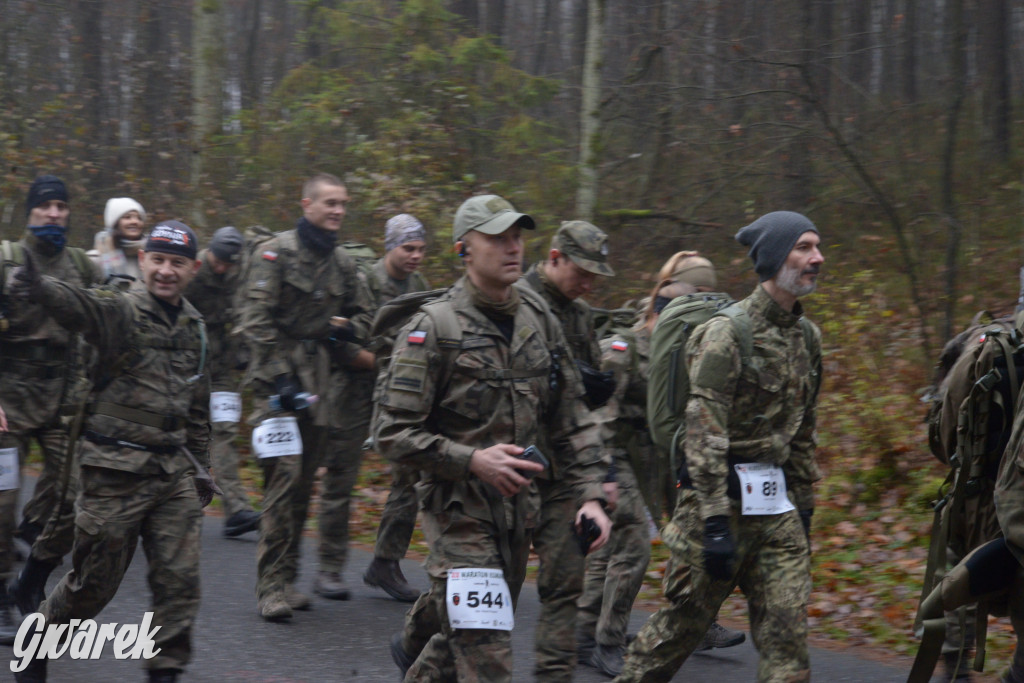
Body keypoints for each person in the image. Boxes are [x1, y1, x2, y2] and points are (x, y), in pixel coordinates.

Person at [377, 194, 612, 682]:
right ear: (465, 248)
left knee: (457, 643)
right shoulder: (433, 328)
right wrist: (471, 460)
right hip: (457, 512)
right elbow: (392, 433)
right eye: (497, 238)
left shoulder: (540, 320)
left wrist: (591, 496)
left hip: (517, 514)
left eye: (517, 237)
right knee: (487, 654)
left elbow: (572, 416)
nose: (513, 248)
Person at [615, 211, 824, 683]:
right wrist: (712, 521)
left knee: (788, 636)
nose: (817, 258)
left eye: (817, 247)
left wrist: (804, 508)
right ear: (774, 258)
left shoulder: (807, 337)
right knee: (680, 630)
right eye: (804, 248)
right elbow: (703, 431)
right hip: (717, 505)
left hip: (775, 511)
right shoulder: (727, 333)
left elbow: (803, 429)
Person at [10, 219, 214, 683]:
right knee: (92, 586)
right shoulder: (120, 309)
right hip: (113, 472)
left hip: (171, 476)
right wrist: (40, 287)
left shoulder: (196, 329)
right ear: (143, 260)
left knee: (179, 584)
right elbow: (78, 306)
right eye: (158, 260)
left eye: (177, 263)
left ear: (193, 269)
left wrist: (203, 467)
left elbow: (198, 405)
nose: (166, 271)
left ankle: (165, 671)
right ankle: (38, 638)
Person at [578, 257, 743, 678]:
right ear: (668, 294)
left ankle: (688, 622)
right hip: (619, 451)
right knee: (631, 545)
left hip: (664, 453)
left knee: (693, 531)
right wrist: (604, 476)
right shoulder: (624, 345)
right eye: (691, 299)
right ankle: (607, 641)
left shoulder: (689, 344)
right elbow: (598, 415)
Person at [235, 172, 374, 620]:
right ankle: (270, 587)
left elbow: (369, 314)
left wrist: (349, 332)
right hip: (274, 389)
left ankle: (289, 578)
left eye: (343, 204)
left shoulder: (343, 264)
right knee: (282, 482)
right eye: (329, 202)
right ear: (307, 204)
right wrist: (279, 378)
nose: (337, 211)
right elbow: (253, 320)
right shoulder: (275, 253)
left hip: (319, 388)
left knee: (301, 489)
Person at [2, 176, 103, 636]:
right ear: (31, 212)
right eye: (47, 206)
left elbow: (109, 322)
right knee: (2, 504)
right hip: (7, 404)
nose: (56, 213)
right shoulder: (5, 260)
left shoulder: (81, 265)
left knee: (71, 500)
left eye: (63, 206)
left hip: (64, 403)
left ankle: (30, 580)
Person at [523, 220, 616, 681]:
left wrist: (599, 475)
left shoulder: (580, 316)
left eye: (596, 275)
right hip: (509, 466)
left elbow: (585, 406)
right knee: (486, 587)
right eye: (582, 271)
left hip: (562, 468)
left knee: (563, 586)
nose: (588, 283)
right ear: (555, 258)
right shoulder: (515, 300)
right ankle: (423, 642)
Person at [361, 213, 431, 602]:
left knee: (409, 478)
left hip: (411, 387)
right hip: (378, 389)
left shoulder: (417, 284)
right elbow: (359, 335)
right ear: (390, 246)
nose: (416, 256)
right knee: (407, 475)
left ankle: (385, 562)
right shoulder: (369, 281)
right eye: (408, 248)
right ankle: (380, 562)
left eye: (421, 249)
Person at [183, 226, 261, 538]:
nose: (221, 268)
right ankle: (172, 503)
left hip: (221, 367)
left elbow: (247, 316)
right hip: (187, 364)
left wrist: (243, 350)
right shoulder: (191, 271)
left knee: (225, 431)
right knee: (182, 432)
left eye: (228, 264)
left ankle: (236, 509)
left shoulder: (240, 274)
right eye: (217, 261)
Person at [89, 196, 147, 282]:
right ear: (115, 223)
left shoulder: (151, 257)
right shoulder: (94, 259)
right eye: (127, 217)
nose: (135, 221)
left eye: (139, 218)